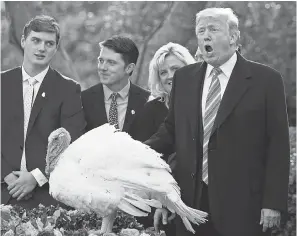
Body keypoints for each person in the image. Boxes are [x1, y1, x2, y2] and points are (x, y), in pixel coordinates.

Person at [145, 7, 290, 236]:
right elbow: (171, 131)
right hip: (191, 207)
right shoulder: (184, 78)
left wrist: (273, 202)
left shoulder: (266, 81)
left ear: (233, 37)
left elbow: (278, 146)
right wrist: (133, 151)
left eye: (213, 29)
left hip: (243, 208)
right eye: (200, 30)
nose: (205, 36)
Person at [1, 15, 86, 209]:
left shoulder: (68, 89)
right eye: (36, 40)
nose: (41, 48)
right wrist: (5, 174)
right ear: (23, 41)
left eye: (49, 43)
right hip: (2, 190)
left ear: (56, 48)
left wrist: (36, 177)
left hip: (45, 198)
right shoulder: (1, 84)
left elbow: (72, 141)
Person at [82, 35, 150, 137]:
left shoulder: (148, 102)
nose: (103, 68)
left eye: (111, 62)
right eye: (101, 61)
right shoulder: (83, 100)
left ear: (129, 68)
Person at [132, 42, 196, 142]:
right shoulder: (150, 110)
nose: (170, 76)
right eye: (163, 72)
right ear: (159, 79)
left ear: (190, 68)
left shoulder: (204, 99)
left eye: (175, 69)